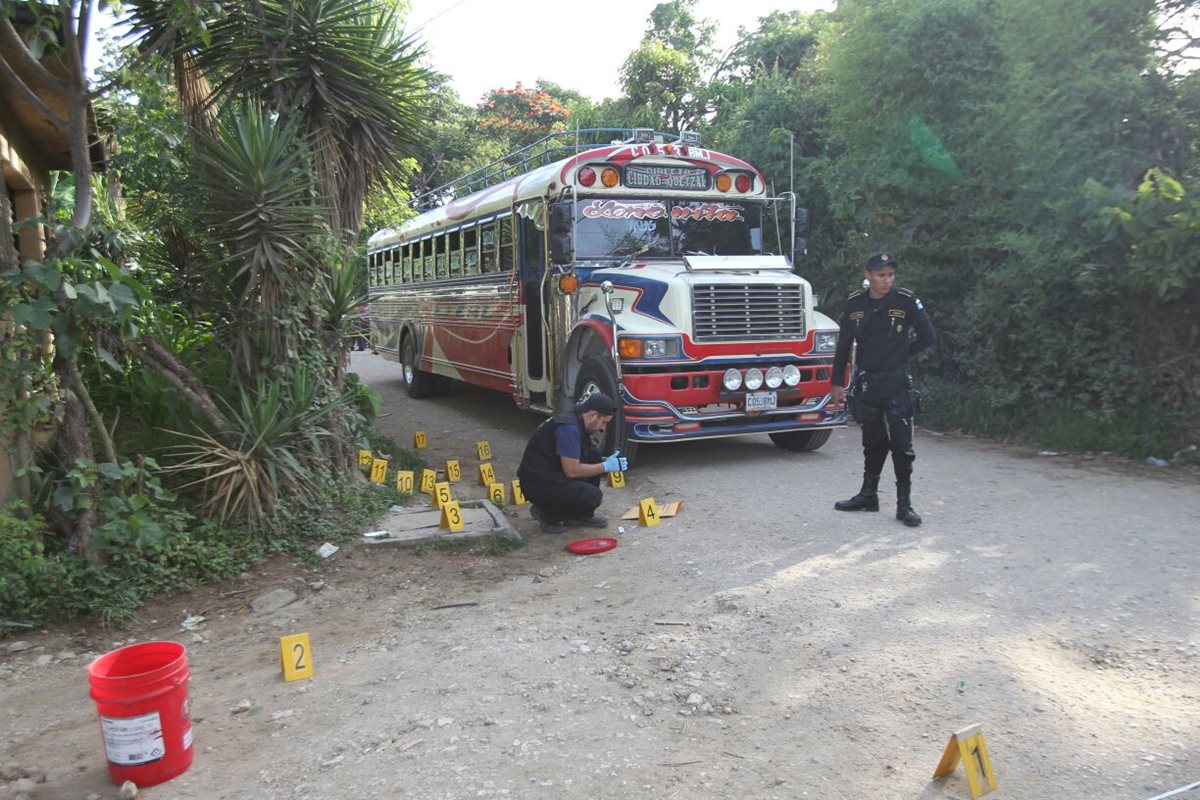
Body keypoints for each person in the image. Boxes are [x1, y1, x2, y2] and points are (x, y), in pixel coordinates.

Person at [831, 252, 936, 526]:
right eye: (880, 275)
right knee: (872, 442)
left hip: (897, 382)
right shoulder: (855, 305)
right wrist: (836, 383)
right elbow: (843, 346)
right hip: (869, 383)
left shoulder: (905, 300)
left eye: (890, 274)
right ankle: (868, 495)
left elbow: (928, 337)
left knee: (902, 445)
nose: (887, 280)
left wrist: (901, 354)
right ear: (868, 276)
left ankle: (904, 505)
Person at [517, 393, 628, 534]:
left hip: (550, 474)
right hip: (537, 484)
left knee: (593, 455)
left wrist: (608, 461)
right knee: (592, 496)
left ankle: (580, 516)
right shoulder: (569, 429)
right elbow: (572, 471)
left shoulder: (576, 422)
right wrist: (606, 466)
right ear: (593, 415)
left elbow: (581, 457)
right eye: (604, 422)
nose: (603, 428)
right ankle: (547, 514)